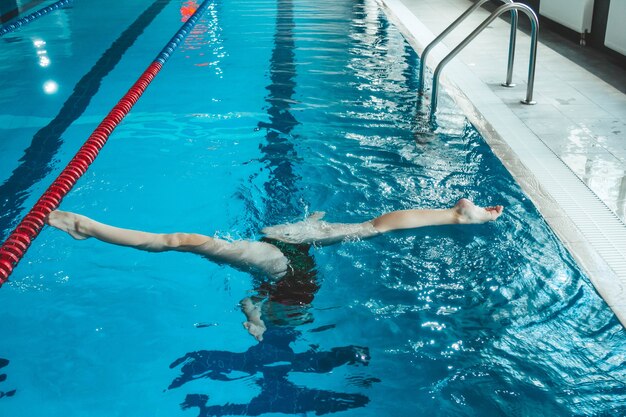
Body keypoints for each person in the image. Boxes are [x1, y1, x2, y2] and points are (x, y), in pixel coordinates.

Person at [46, 198, 503, 340]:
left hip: (298, 238)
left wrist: (255, 317)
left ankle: (457, 214)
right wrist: (255, 319)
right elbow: (254, 300)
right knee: (181, 242)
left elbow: (254, 300)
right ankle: (87, 227)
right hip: (280, 251)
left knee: (374, 227)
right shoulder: (282, 288)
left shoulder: (282, 295)